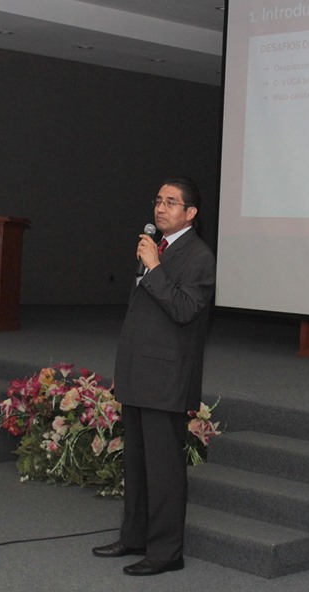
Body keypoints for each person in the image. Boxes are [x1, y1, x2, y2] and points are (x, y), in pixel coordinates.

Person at [92, 176, 216, 576]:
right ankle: (134, 537)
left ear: (191, 213)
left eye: (171, 202)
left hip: (167, 377)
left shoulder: (198, 256)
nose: (160, 208)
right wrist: (124, 368)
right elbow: (141, 317)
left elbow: (184, 310)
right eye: (158, 200)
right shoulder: (155, 247)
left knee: (164, 471)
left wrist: (155, 268)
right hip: (139, 372)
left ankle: (166, 552)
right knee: (138, 464)